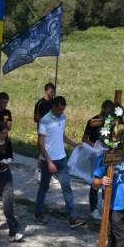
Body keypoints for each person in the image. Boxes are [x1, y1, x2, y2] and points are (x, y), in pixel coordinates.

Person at [35, 95, 85, 228]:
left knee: (67, 187)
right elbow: (40, 143)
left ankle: (72, 218)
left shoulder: (62, 118)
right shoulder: (44, 121)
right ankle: (39, 213)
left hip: (62, 159)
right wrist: (48, 161)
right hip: (48, 160)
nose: (61, 112)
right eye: (59, 109)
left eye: (63, 110)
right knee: (44, 187)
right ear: (54, 107)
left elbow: (60, 134)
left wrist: (74, 144)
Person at [84, 100, 114, 219]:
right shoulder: (93, 121)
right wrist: (96, 147)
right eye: (107, 112)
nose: (108, 115)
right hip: (96, 154)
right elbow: (84, 139)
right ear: (102, 109)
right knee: (96, 180)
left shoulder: (111, 122)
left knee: (107, 179)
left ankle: (103, 204)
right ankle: (93, 208)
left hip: (107, 155)